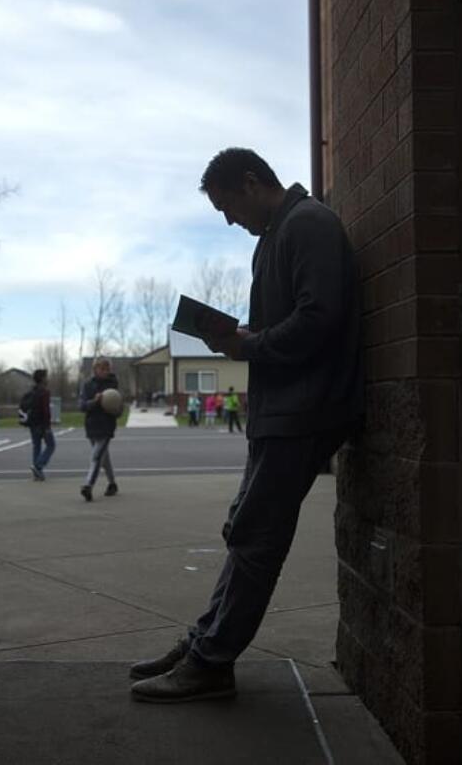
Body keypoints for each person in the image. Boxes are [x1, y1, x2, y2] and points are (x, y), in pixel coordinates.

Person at [129, 148, 363, 703]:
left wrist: (250, 343)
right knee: (245, 533)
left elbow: (319, 319)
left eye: (228, 207)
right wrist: (241, 337)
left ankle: (211, 662)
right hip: (282, 411)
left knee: (256, 540)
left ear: (253, 183)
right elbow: (297, 320)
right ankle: (204, 644)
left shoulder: (309, 225)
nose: (230, 221)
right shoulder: (280, 235)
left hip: (304, 412)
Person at [78, 356, 121, 502]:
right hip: (92, 426)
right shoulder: (88, 385)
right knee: (104, 458)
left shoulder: (113, 385)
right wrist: (94, 401)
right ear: (95, 369)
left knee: (96, 457)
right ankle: (112, 484)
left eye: (107, 368)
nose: (105, 371)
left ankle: (88, 486)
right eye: (102, 368)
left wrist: (116, 409)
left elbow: (119, 407)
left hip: (106, 427)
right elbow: (82, 406)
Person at [26, 369, 56, 480]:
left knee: (36, 447)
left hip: (33, 424)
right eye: (46, 377)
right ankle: (38, 466)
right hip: (42, 424)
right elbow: (45, 410)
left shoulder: (32, 391)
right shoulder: (45, 392)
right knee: (51, 445)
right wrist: (47, 426)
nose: (47, 379)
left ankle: (37, 474)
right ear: (42, 379)